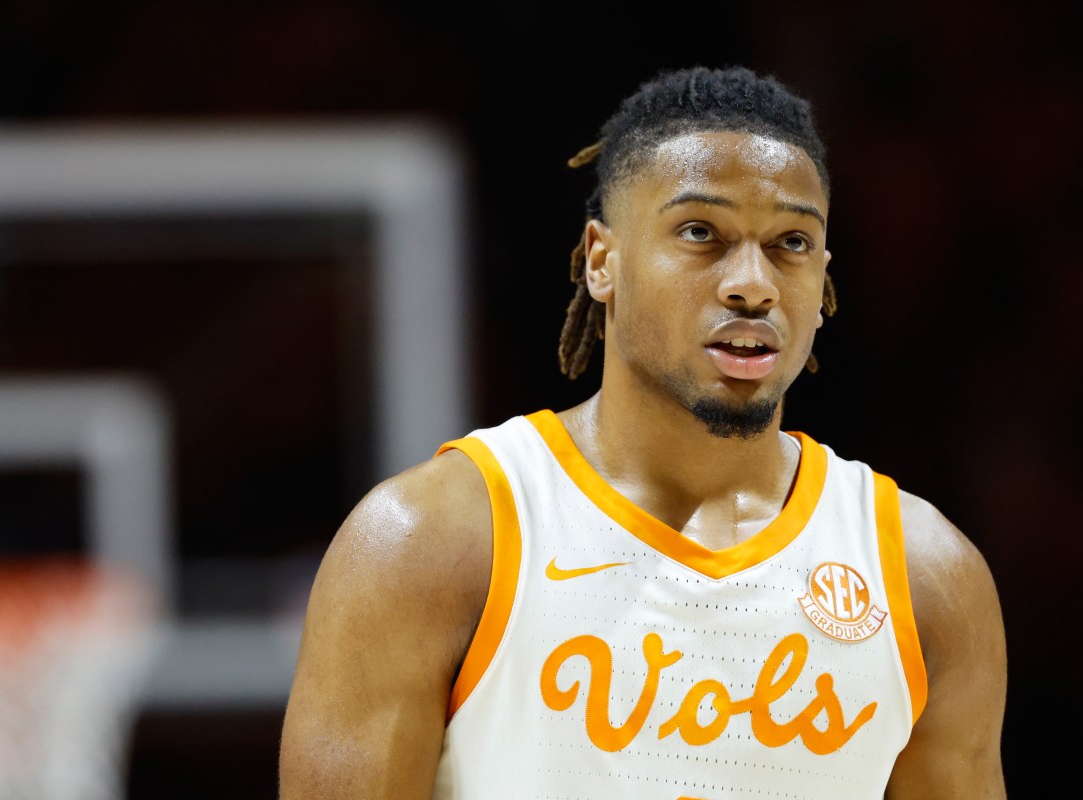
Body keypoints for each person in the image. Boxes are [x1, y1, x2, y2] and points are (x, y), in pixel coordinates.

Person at [277, 65, 1007, 799]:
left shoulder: (924, 579)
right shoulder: (432, 541)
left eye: (790, 242)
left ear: (823, 276)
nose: (752, 284)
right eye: (701, 233)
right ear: (602, 259)